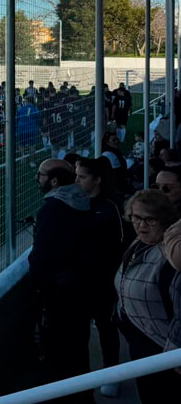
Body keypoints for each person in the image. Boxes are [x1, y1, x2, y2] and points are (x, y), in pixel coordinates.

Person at [29, 159, 95, 403]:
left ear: (54, 180)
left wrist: (41, 289)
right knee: (77, 351)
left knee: (58, 356)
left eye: (41, 174)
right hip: (80, 289)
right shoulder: (82, 201)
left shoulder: (54, 208)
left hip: (60, 295)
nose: (38, 178)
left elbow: (42, 256)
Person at [115, 189, 181, 402]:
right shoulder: (139, 242)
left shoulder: (171, 256)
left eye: (149, 219)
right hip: (140, 340)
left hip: (163, 353)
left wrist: (173, 356)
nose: (141, 225)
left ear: (164, 219)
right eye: (136, 217)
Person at [74, 157, 126, 398]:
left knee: (106, 328)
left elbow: (116, 246)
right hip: (82, 280)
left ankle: (112, 374)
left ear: (97, 180)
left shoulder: (109, 207)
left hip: (104, 281)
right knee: (85, 329)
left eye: (81, 177)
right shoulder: (81, 203)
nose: (76, 180)